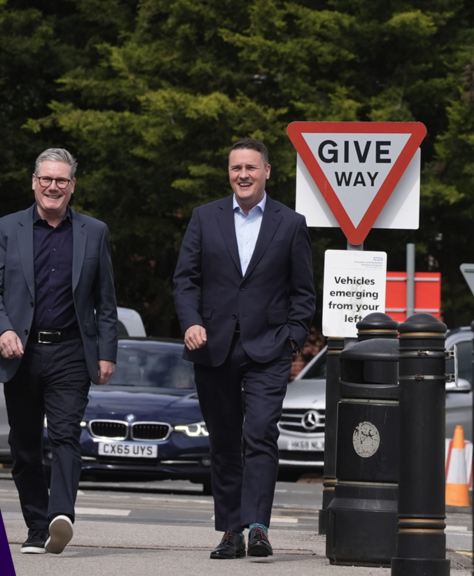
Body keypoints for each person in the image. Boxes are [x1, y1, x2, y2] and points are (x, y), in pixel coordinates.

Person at [173, 138, 315, 559]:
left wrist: (291, 339)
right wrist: (191, 322)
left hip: (268, 349)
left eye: (251, 168)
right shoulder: (204, 218)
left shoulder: (290, 223)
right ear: (229, 172)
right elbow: (186, 280)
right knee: (223, 441)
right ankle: (231, 530)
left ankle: (258, 527)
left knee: (260, 435)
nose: (243, 175)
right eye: (236, 168)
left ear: (267, 171)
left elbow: (303, 292)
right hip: (212, 347)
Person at [0, 148, 118, 555]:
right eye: (46, 179)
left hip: (72, 351)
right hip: (20, 353)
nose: (53, 186)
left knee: (64, 436)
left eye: (61, 180)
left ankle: (61, 515)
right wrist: (3, 329)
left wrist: (107, 352)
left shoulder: (94, 231)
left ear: (72, 185)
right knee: (23, 447)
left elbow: (105, 299)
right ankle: (37, 527)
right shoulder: (6, 228)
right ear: (34, 182)